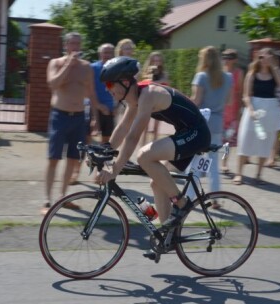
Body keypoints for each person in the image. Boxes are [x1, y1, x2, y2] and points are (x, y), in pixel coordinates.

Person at [96, 56, 211, 234]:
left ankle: (182, 203)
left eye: (110, 84)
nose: (107, 89)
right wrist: (104, 151)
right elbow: (123, 128)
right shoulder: (134, 99)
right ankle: (167, 236)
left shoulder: (148, 95)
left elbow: (133, 137)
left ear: (125, 82)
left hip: (197, 134)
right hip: (185, 134)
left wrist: (115, 169)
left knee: (144, 155)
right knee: (157, 183)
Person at [42, 32, 109, 215]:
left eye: (78, 44)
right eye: (72, 43)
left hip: (79, 117)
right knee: (53, 159)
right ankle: (47, 201)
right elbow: (53, 84)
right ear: (66, 45)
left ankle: (62, 197)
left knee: (73, 158)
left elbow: (91, 94)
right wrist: (68, 66)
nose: (75, 47)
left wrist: (95, 116)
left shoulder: (86, 67)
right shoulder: (55, 63)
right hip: (59, 116)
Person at [234, 48, 280, 185]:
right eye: (261, 57)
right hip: (254, 109)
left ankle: (259, 174)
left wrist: (273, 67)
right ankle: (239, 174)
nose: (264, 60)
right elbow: (246, 95)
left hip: (270, 110)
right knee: (245, 140)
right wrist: (250, 109)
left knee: (265, 143)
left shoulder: (274, 74)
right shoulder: (252, 74)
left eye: (267, 57)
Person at [190, 46, 233, 201]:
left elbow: (196, 101)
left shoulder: (201, 76)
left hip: (202, 121)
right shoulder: (228, 77)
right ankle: (215, 197)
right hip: (217, 122)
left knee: (196, 161)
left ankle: (190, 196)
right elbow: (228, 101)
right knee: (213, 161)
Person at [69, 43, 115, 185]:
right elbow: (90, 91)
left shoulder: (116, 69)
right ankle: (75, 173)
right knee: (85, 143)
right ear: (99, 54)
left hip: (109, 110)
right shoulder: (93, 68)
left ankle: (100, 175)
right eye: (104, 52)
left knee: (107, 145)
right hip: (93, 108)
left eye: (109, 52)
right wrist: (98, 110)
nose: (107, 55)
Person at [220, 48, 244, 174]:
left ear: (234, 60)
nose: (226, 60)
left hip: (232, 110)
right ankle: (205, 162)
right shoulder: (218, 72)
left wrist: (239, 111)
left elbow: (240, 92)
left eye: (229, 57)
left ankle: (224, 162)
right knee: (212, 137)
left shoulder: (238, 73)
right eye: (224, 57)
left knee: (228, 142)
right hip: (219, 109)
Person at [139, 51, 170, 146]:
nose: (157, 62)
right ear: (151, 61)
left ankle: (153, 148)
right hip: (148, 102)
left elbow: (166, 83)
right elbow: (145, 82)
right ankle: (142, 146)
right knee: (145, 128)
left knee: (156, 128)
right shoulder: (147, 72)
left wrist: (157, 81)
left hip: (159, 103)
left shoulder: (164, 73)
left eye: (159, 60)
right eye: (154, 60)